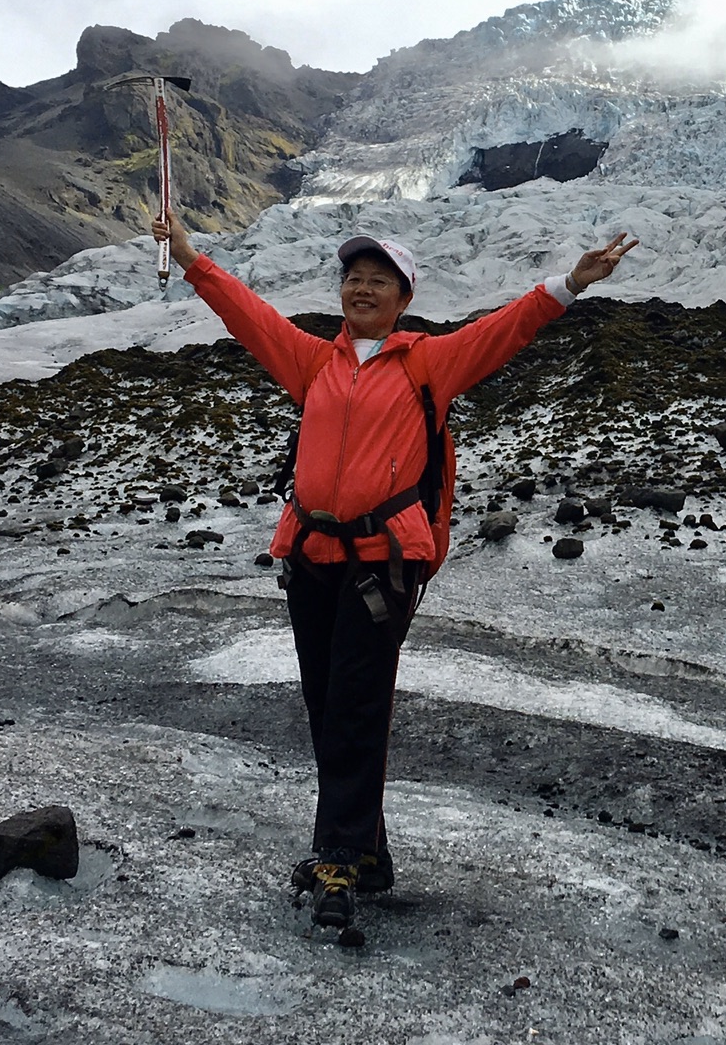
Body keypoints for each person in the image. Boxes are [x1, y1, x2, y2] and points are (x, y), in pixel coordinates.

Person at [152, 206, 636, 933]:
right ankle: (367, 852)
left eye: (379, 280)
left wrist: (571, 283)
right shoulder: (314, 361)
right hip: (311, 556)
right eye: (353, 278)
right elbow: (248, 316)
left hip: (384, 562)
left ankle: (339, 859)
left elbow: (505, 330)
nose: (362, 289)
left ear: (404, 298)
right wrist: (192, 259)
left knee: (355, 705)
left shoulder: (428, 364)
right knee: (327, 703)